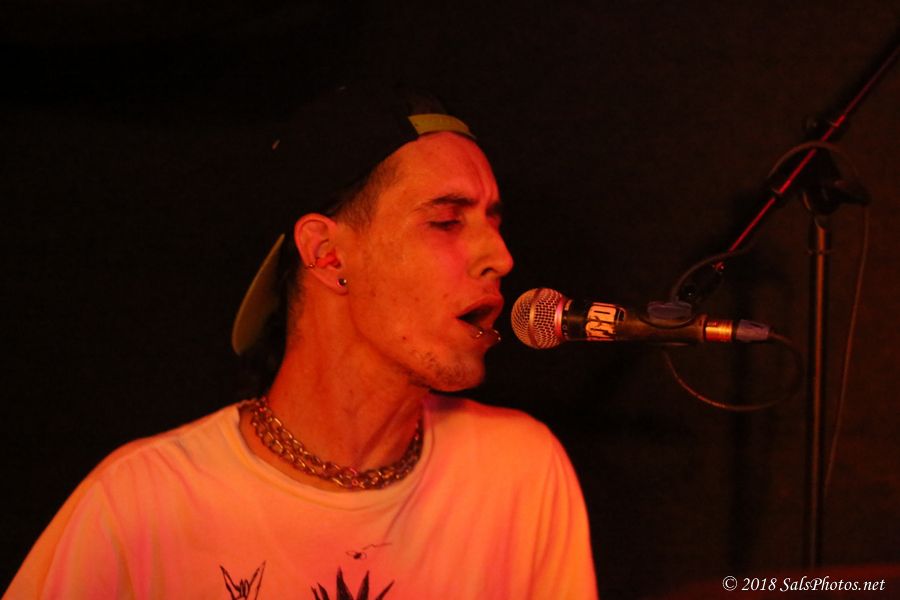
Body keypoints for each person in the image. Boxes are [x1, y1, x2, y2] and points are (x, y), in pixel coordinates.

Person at [6, 82, 597, 599]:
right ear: (327, 254)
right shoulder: (143, 502)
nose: (501, 257)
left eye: (494, 220)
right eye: (446, 221)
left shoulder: (519, 472)